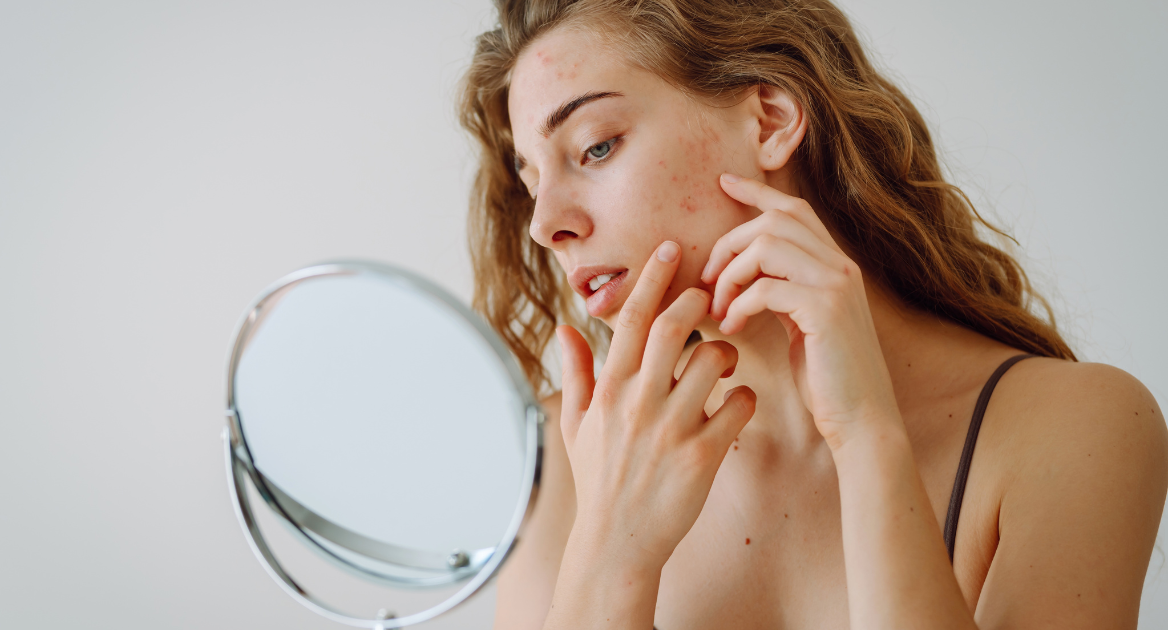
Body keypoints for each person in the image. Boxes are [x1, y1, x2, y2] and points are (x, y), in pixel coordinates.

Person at [456, 1, 1168, 627]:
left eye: (596, 146)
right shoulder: (566, 453)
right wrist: (611, 552)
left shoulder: (1073, 429)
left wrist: (867, 438)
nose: (545, 223)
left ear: (769, 119)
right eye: (532, 179)